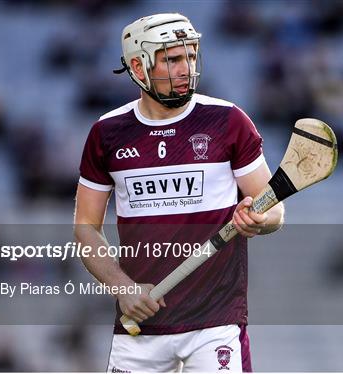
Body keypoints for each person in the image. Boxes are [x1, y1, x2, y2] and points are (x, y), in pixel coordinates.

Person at [74, 13, 284, 372]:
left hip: (216, 323)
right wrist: (122, 286)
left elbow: (274, 212)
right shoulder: (107, 133)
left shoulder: (228, 121)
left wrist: (258, 220)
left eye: (190, 55)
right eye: (172, 59)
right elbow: (85, 228)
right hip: (141, 326)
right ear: (138, 67)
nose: (186, 67)